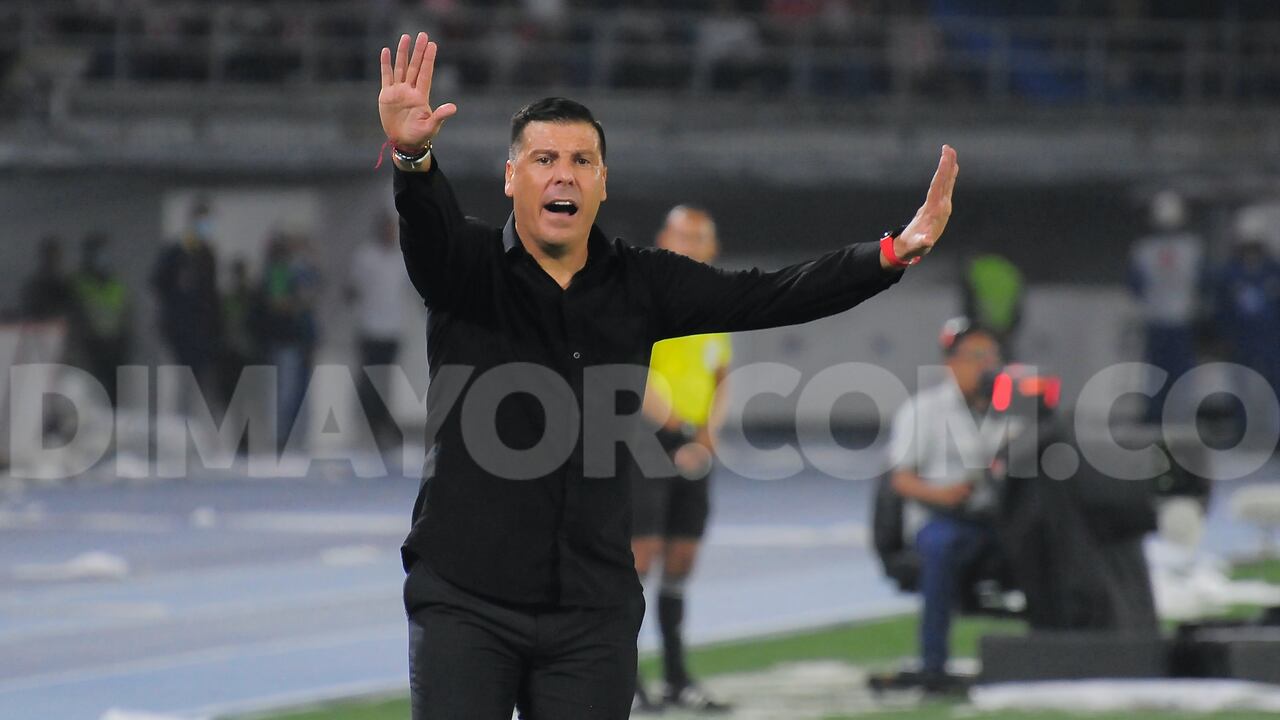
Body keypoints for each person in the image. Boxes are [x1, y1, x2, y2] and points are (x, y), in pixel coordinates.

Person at [379, 31, 958, 719]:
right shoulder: (465, 267)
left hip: (591, 614)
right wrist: (414, 157)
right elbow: (426, 223)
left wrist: (891, 253)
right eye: (543, 159)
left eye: (581, 160)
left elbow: (770, 293)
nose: (563, 173)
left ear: (602, 182)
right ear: (513, 178)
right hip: (467, 602)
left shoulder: (641, 282)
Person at [630, 206, 732, 713]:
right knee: (638, 557)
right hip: (646, 438)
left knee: (682, 558)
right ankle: (621, 675)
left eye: (700, 237)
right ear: (664, 239)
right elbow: (634, 369)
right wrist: (683, 430)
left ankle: (675, 678)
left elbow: (721, 375)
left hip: (695, 443)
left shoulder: (715, 305)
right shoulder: (648, 295)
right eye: (682, 235)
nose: (691, 244)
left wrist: (709, 436)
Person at [887, 317, 1007, 693]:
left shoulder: (1008, 410)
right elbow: (901, 479)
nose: (986, 364)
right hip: (939, 519)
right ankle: (933, 663)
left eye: (991, 355)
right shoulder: (923, 410)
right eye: (975, 355)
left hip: (993, 518)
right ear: (950, 362)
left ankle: (1056, 654)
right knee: (941, 548)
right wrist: (944, 495)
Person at [1127, 190, 1205, 425]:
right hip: (1180, 319)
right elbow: (1204, 283)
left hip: (1158, 319)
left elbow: (1135, 286)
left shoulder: (1143, 249)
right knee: (1179, 371)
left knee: (1156, 371)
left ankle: (1156, 412)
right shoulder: (1193, 248)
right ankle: (1178, 414)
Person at [346, 213, 410, 451]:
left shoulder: (400, 259)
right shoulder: (365, 257)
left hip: (392, 330)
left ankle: (383, 427)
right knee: (368, 383)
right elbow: (352, 288)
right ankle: (382, 426)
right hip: (369, 328)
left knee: (382, 382)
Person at [150, 200, 222, 414]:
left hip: (202, 328)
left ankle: (195, 419)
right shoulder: (176, 251)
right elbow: (158, 282)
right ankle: (181, 418)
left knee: (200, 378)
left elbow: (211, 293)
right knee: (184, 375)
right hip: (180, 326)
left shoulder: (207, 254)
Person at [70, 233, 132, 406]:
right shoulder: (79, 284)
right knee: (92, 395)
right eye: (100, 252)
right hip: (90, 349)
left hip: (114, 347)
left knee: (115, 396)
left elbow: (125, 317)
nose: (104, 258)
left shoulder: (115, 284)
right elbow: (76, 318)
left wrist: (124, 343)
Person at [21, 235, 74, 322]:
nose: (52, 260)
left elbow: (72, 312)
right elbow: (28, 312)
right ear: (42, 257)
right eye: (49, 256)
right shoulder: (34, 286)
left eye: (55, 256)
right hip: (40, 329)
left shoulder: (67, 285)